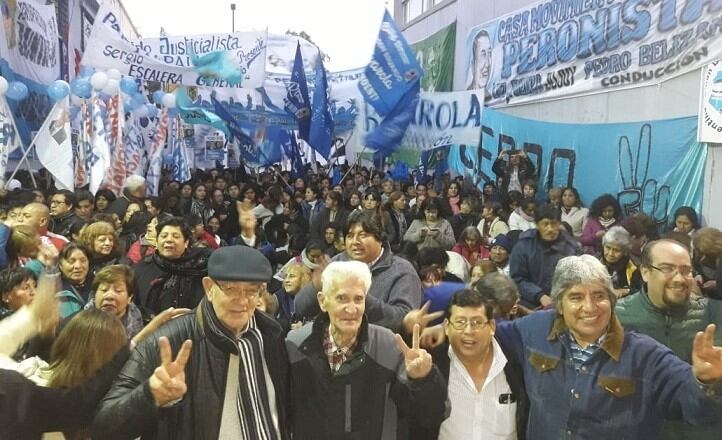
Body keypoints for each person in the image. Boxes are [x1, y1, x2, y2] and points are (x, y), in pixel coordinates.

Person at [93, 246, 290, 440]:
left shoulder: (270, 334)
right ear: (209, 288)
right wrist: (150, 395)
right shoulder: (168, 342)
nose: (242, 301)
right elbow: (104, 426)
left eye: (251, 291)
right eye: (231, 289)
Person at [285, 261, 447, 439]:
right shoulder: (295, 345)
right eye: (342, 298)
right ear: (323, 301)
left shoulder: (389, 346)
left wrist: (423, 380)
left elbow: (430, 415)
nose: (352, 308)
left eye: (358, 299)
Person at [616, 239, 722, 440]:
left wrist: (711, 380)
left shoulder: (715, 315)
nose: (680, 279)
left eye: (686, 270)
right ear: (645, 272)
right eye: (668, 269)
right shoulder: (617, 317)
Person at [417, 288, 525, 440]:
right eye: (460, 322)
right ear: (447, 327)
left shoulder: (516, 363)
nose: (468, 330)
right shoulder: (432, 365)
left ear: (492, 326)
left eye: (477, 323)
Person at [294, 210, 423, 332]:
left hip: (378, 348)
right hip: (334, 342)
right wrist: (316, 287)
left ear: (380, 239)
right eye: (350, 236)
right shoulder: (337, 263)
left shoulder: (402, 270)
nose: (355, 242)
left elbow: (403, 320)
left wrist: (357, 296)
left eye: (363, 235)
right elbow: (300, 309)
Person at [133, 216, 211, 315]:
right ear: (157, 241)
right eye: (164, 236)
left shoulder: (201, 267)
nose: (169, 240)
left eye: (176, 236)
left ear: (186, 242)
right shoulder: (142, 269)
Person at [510, 205, 581, 308]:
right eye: (545, 224)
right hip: (532, 302)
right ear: (537, 225)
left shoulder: (571, 246)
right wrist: (540, 296)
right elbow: (518, 278)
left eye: (554, 224)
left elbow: (578, 276)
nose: (550, 229)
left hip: (564, 300)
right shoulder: (523, 246)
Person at [600, 226, 640, 297]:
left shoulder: (635, 267)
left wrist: (626, 291)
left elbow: (641, 291)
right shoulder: (595, 261)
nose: (610, 254)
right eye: (608, 248)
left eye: (616, 250)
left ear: (625, 252)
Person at [56, 243, 94, 319]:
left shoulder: (98, 286)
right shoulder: (54, 291)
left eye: (83, 261)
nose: (78, 266)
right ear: (60, 265)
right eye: (71, 261)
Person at [692, 227, 722, 299]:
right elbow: (695, 265)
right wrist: (697, 274)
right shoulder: (699, 249)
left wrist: (717, 284)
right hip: (708, 294)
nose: (704, 256)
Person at [468, 29, 492, 95]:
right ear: (473, 65)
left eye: (489, 53)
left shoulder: (490, 96)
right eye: (483, 54)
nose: (487, 64)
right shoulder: (466, 97)